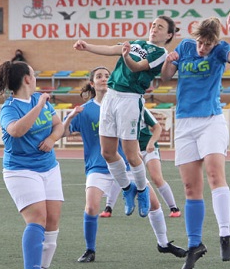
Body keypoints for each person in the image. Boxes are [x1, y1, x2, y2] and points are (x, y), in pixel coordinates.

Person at [62, 66, 186, 263]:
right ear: (92, 84)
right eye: (99, 76)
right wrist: (69, 117)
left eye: (107, 76)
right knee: (91, 207)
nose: (104, 79)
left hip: (126, 166)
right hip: (98, 167)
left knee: (154, 203)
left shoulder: (124, 104)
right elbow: (63, 133)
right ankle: (89, 250)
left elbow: (149, 126)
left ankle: (163, 244)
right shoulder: (85, 110)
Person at [160, 11, 230, 269]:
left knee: (214, 174)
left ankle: (224, 234)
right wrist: (169, 61)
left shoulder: (220, 49)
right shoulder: (185, 46)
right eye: (200, 42)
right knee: (189, 186)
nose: (202, 47)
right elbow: (165, 77)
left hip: (210, 119)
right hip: (185, 122)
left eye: (207, 44)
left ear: (214, 41)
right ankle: (195, 245)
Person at [72, 16, 178, 220]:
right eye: (154, 25)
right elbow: (112, 49)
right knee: (107, 152)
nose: (154, 29)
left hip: (130, 99)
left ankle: (142, 190)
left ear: (169, 35)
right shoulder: (136, 43)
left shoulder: (161, 53)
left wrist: (127, 55)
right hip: (111, 96)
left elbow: (137, 67)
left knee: (131, 154)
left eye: (160, 27)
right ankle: (128, 189)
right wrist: (87, 47)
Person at [0, 60, 65, 269]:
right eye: (33, 74)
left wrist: (53, 139)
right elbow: (15, 131)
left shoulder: (38, 100)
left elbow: (58, 125)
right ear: (27, 79)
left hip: (49, 167)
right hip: (21, 170)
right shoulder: (10, 107)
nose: (35, 78)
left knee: (52, 220)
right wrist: (39, 105)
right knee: (37, 219)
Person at [99, 107, 181, 218]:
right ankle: (108, 208)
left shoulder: (141, 109)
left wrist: (151, 142)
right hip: (131, 149)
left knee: (156, 177)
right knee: (121, 174)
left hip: (148, 148)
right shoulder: (119, 110)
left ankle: (174, 208)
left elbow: (157, 128)